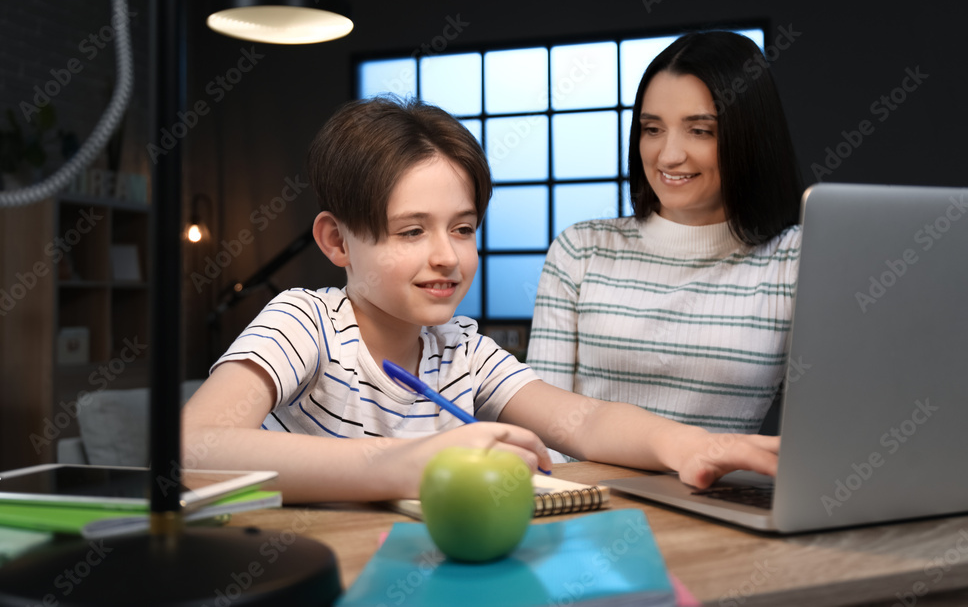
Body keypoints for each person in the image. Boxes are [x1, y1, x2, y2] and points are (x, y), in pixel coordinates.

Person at [181, 95, 780, 504]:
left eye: (463, 229)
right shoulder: (305, 321)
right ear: (338, 240)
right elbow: (192, 448)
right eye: (411, 231)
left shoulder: (460, 348)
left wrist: (695, 445)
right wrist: (399, 466)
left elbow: (587, 420)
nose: (447, 256)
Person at [528, 31, 803, 435]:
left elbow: (833, 420)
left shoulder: (792, 260)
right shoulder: (582, 250)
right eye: (653, 129)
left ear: (750, 137)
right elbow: (541, 424)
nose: (669, 155)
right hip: (586, 495)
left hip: (717, 496)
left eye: (700, 131)